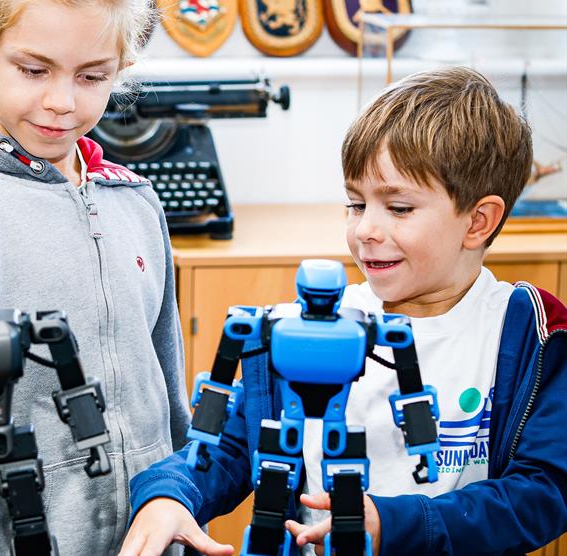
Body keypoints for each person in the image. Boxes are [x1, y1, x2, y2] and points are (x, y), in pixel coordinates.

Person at [122, 66, 567, 556]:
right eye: (355, 204)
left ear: (478, 221)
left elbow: (543, 490)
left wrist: (397, 523)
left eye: (398, 208)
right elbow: (226, 448)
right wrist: (168, 493)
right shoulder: (306, 327)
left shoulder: (531, 332)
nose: (366, 231)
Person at [0, 0, 190, 553]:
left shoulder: (137, 203)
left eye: (92, 76)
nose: (61, 101)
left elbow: (169, 391)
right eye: (33, 70)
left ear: (122, 69)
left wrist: (182, 497)